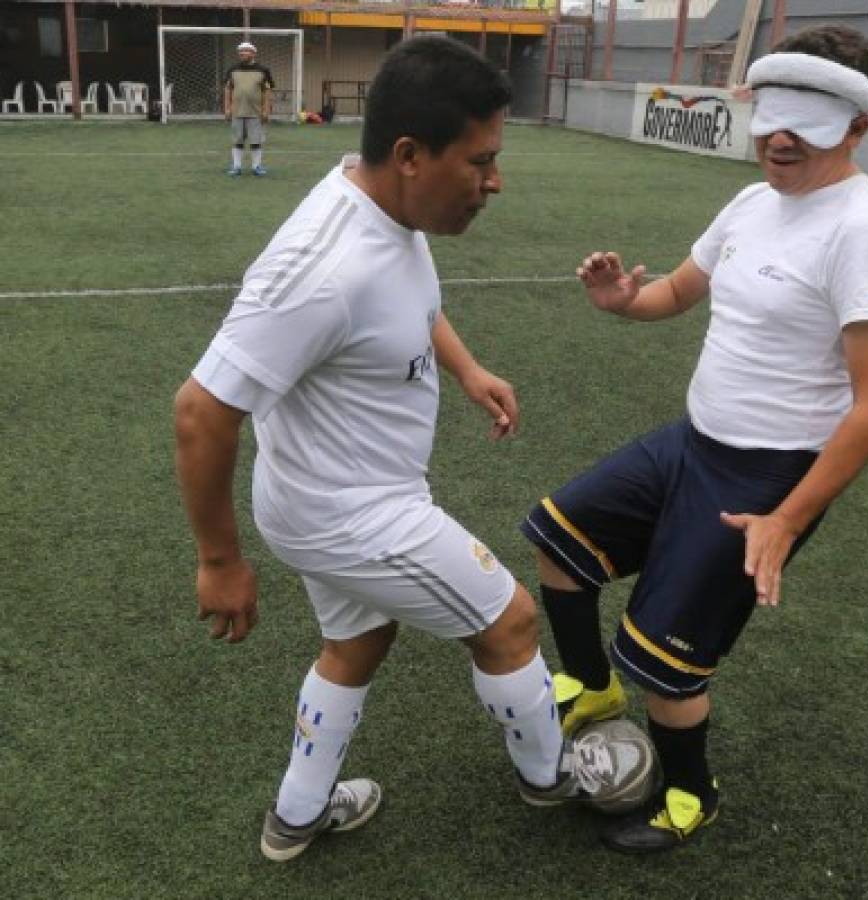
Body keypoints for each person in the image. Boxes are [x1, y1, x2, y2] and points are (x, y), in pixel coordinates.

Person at [176, 35, 631, 864]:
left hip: (329, 493)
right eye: (482, 161)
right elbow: (201, 411)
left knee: (359, 641)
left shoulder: (387, 203)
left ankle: (297, 814)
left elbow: (411, 299)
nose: (496, 181)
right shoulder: (326, 267)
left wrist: (464, 367)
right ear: (411, 155)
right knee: (511, 622)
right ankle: (549, 776)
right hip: (348, 511)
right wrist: (218, 560)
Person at [520, 24, 868, 854]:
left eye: (803, 125)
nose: (778, 139)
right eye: (772, 117)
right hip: (692, 443)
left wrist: (786, 519)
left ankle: (691, 795)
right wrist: (624, 299)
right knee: (559, 538)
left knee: (666, 662)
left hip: (766, 478)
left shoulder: (865, 232)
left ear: (857, 126)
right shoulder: (750, 202)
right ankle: (590, 687)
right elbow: (677, 292)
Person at [223, 41, 274, 176]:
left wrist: (266, 110)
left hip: (256, 113)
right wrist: (227, 108)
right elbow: (228, 89)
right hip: (237, 112)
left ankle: (256, 167)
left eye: (245, 51)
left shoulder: (263, 71)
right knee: (237, 140)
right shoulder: (232, 70)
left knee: (256, 141)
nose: (242, 53)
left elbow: (267, 92)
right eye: (240, 51)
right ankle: (236, 167)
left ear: (253, 53)